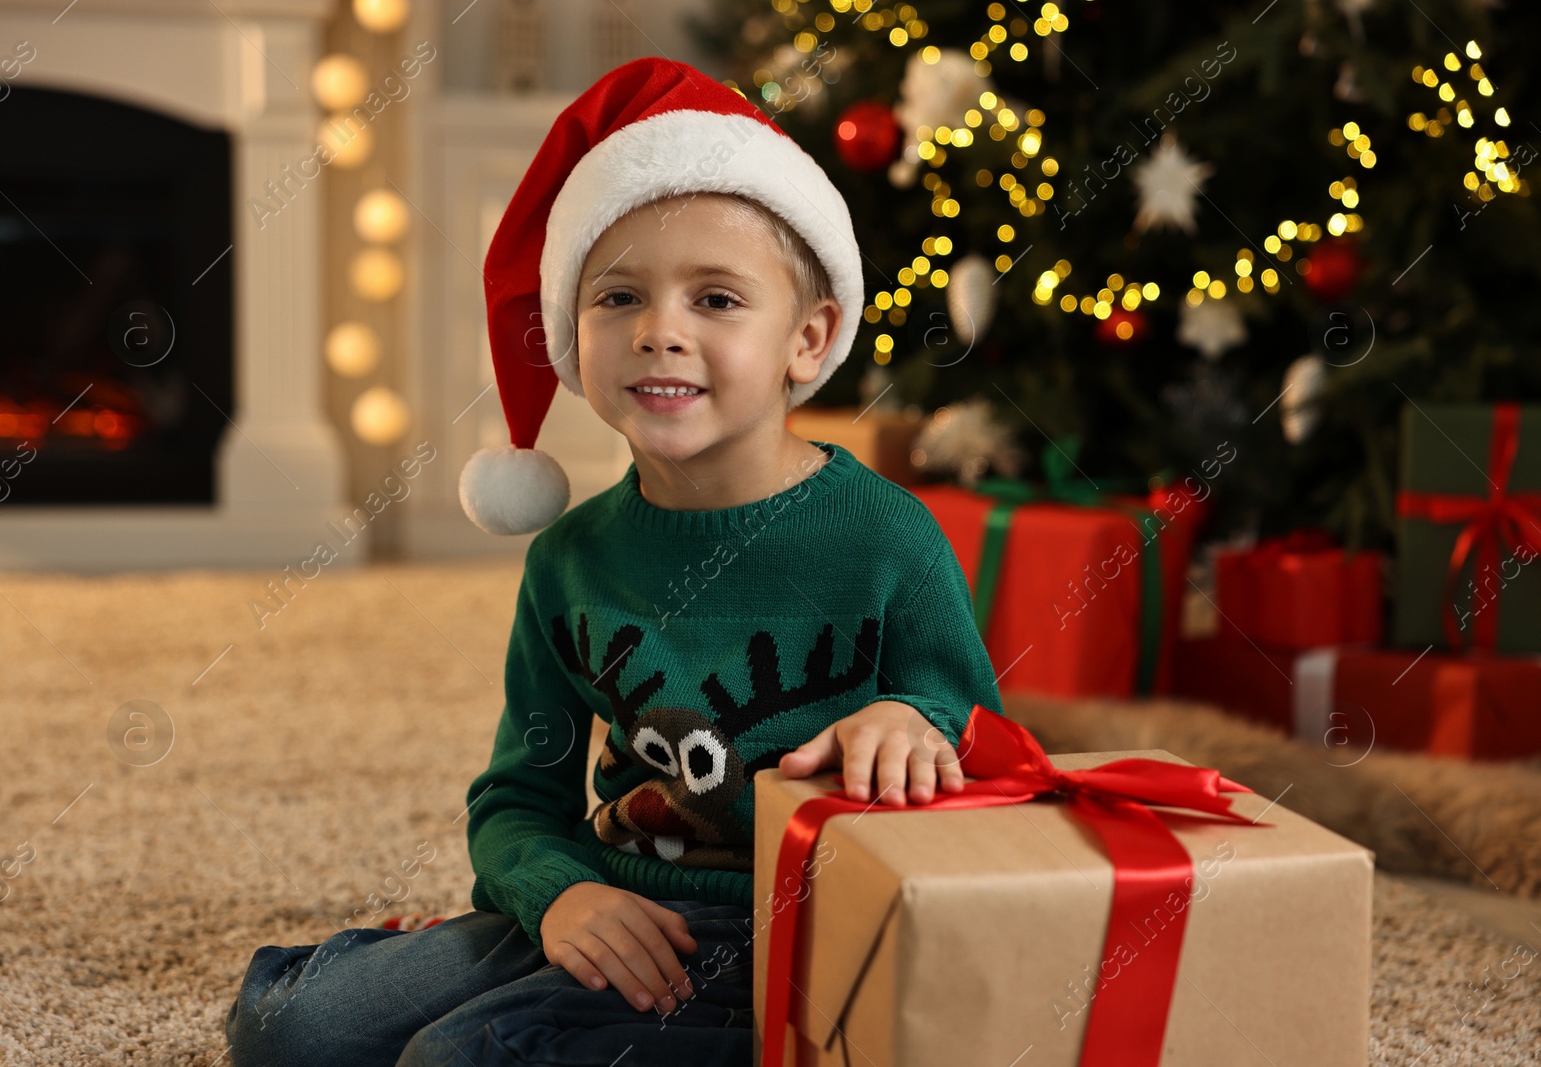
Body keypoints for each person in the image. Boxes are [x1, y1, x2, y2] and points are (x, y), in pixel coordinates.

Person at [224, 55, 1004, 1067]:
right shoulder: (570, 558)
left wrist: (914, 716)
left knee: (459, 1058)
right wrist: (562, 895)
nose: (658, 333)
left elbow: (987, 746)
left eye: (717, 300)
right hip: (609, 896)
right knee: (292, 1028)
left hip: (793, 927)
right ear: (569, 335)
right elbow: (517, 798)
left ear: (806, 340)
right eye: (619, 297)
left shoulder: (886, 536)